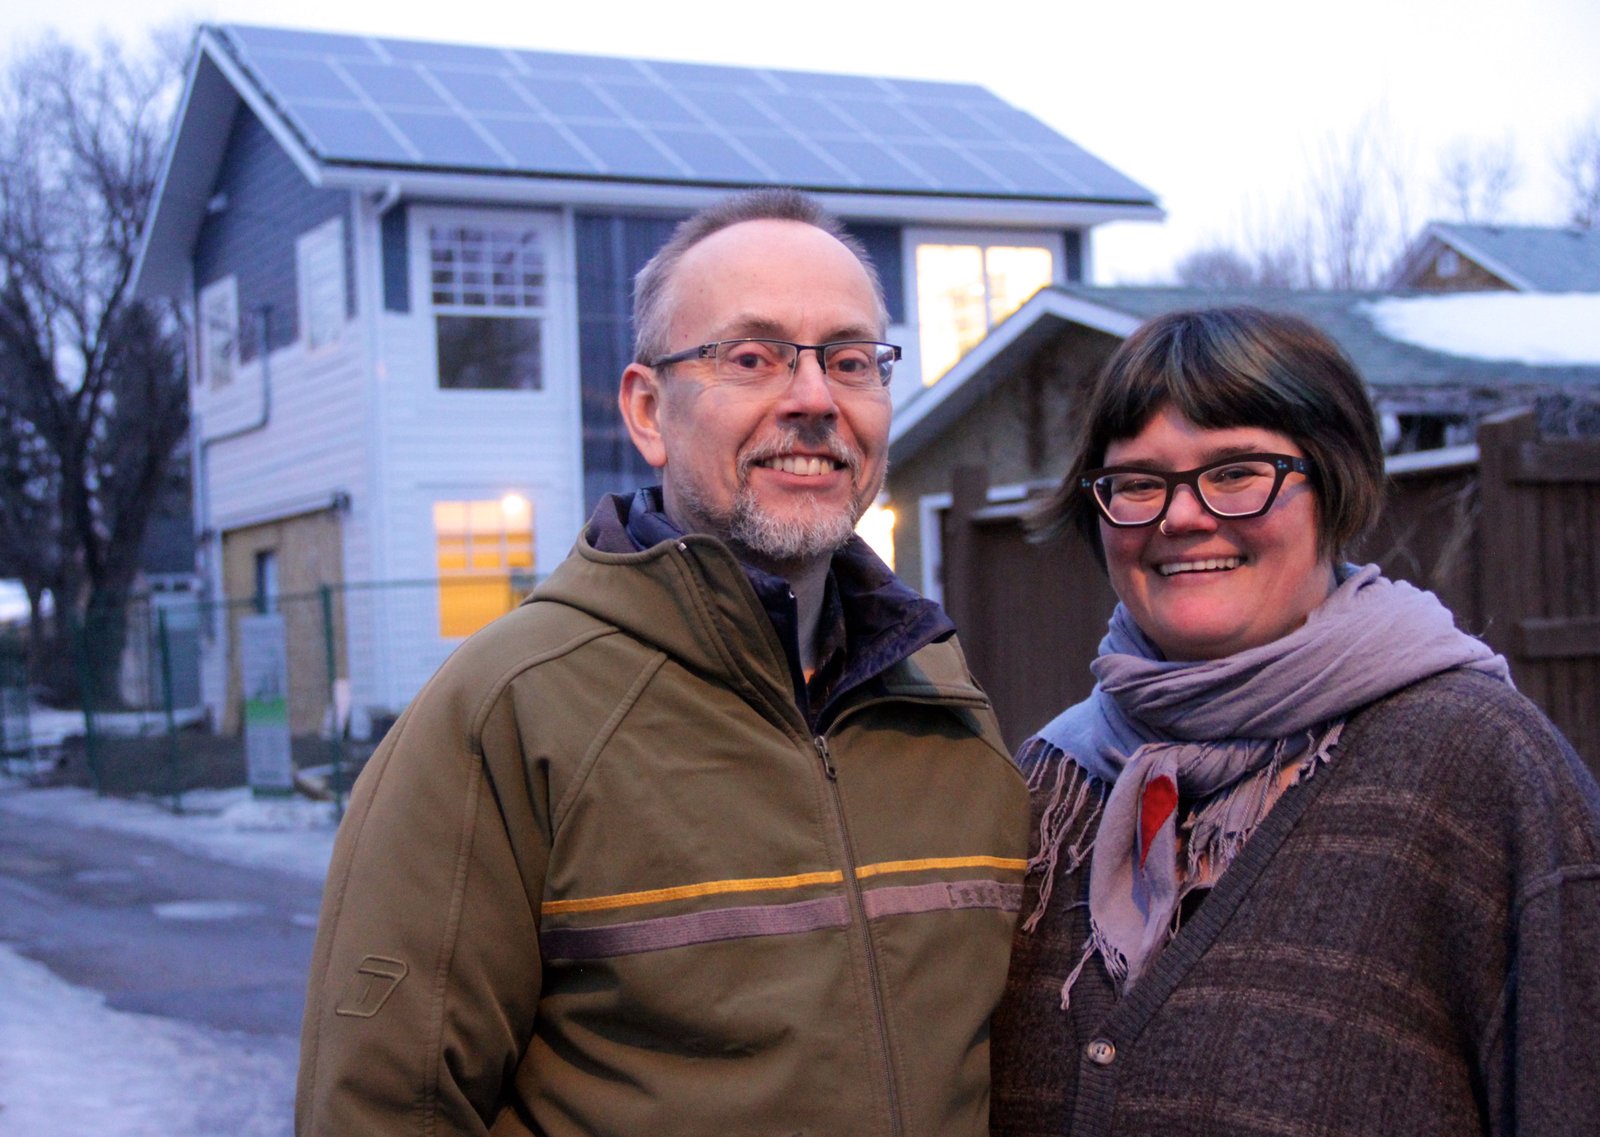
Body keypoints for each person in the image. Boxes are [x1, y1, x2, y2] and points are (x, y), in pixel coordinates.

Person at [296, 188, 1029, 1137]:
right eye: (753, 357)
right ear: (649, 410)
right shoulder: (509, 712)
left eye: (850, 360)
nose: (813, 399)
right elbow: (385, 1112)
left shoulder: (944, 705)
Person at [990, 305, 1600, 1136]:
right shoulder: (1052, 786)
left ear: (1333, 482)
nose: (1181, 516)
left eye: (1237, 470)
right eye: (1137, 482)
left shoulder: (1482, 770)